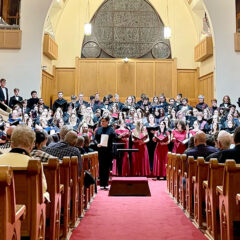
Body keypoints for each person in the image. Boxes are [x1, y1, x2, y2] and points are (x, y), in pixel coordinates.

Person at [0, 125, 48, 195]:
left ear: (11, 144)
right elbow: (42, 188)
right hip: (29, 204)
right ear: (32, 145)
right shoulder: (35, 163)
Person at [94, 116, 116, 189]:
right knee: (101, 167)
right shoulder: (98, 129)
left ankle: (106, 184)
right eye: (101, 121)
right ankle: (101, 184)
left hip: (108, 151)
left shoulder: (111, 130)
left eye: (103, 121)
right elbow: (95, 139)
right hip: (101, 150)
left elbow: (115, 138)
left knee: (107, 168)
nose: (102, 123)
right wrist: (97, 144)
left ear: (107, 122)